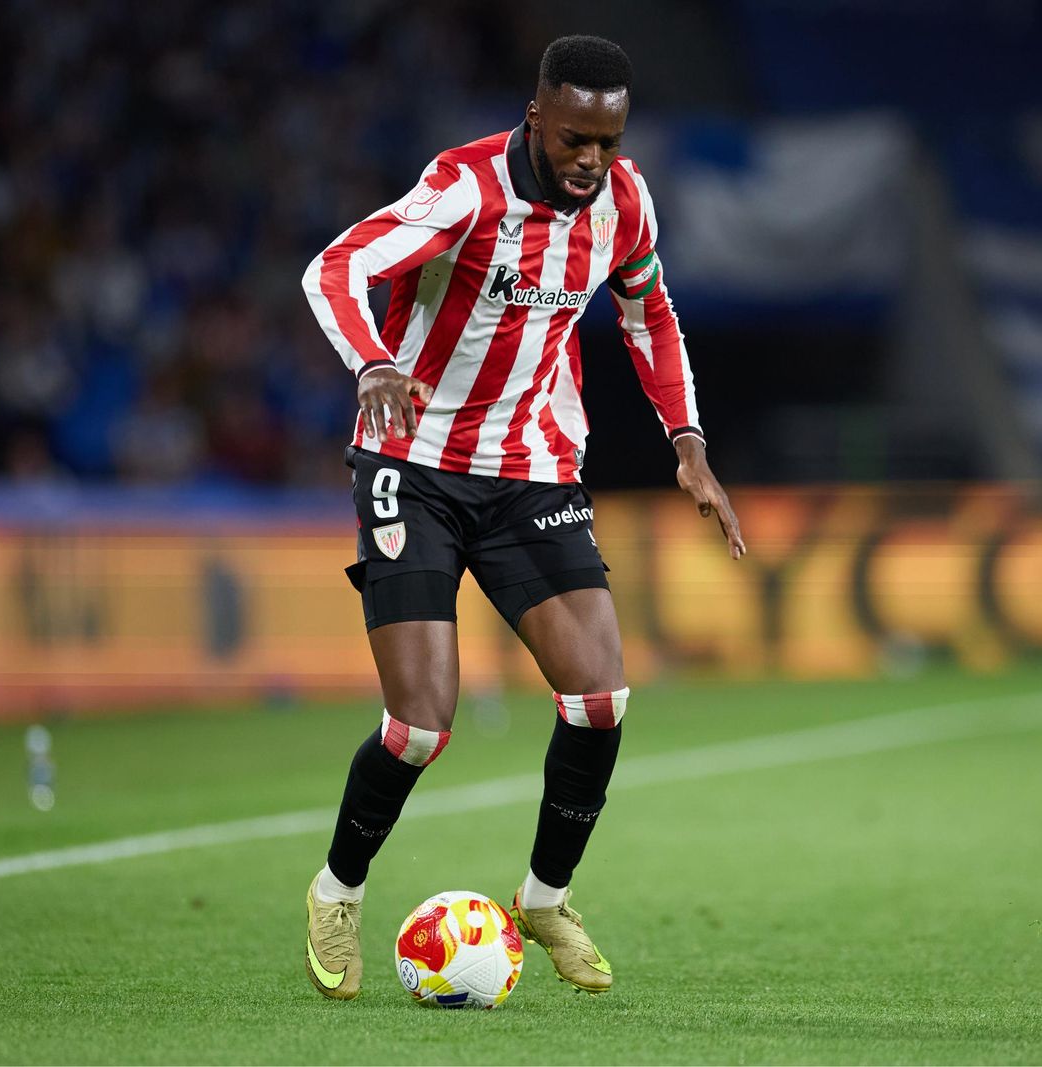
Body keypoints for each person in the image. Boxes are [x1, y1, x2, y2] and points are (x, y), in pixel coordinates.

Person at [299, 34, 744, 1000]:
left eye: (610, 142)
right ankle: (337, 888)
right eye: (577, 138)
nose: (593, 160)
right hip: (411, 465)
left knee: (600, 699)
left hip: (532, 471)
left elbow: (648, 313)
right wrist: (375, 362)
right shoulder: (464, 189)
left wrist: (689, 439)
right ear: (536, 117)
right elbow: (335, 270)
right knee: (421, 725)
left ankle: (544, 898)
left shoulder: (625, 204)